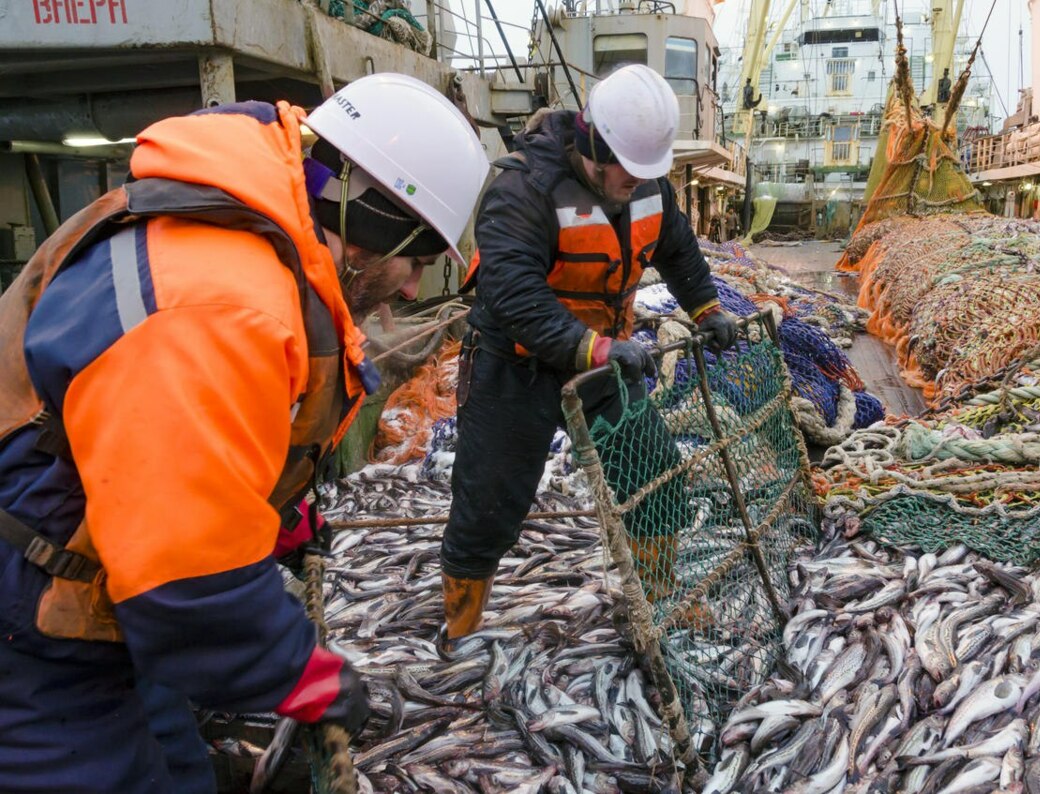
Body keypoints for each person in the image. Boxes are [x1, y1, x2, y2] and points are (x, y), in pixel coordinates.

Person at [0, 73, 489, 793]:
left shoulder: (254, 252)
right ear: (372, 224)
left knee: (182, 767)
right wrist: (304, 674)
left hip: (99, 595)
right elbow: (186, 582)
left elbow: (179, 452)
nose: (415, 289)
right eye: (416, 260)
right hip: (33, 623)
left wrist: (275, 518)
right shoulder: (224, 305)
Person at [439, 64, 738, 648]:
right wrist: (595, 347)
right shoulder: (520, 191)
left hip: (606, 364)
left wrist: (707, 309)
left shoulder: (650, 187)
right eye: (628, 168)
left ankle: (659, 596)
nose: (638, 180)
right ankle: (461, 627)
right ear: (592, 143)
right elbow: (513, 295)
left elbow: (678, 251)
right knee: (488, 506)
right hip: (514, 368)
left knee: (653, 472)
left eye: (648, 170)